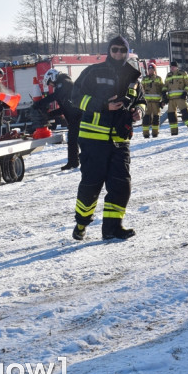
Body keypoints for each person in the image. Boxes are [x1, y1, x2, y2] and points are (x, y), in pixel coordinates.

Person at [69, 35, 143, 241]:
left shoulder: (133, 76)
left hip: (120, 139)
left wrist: (139, 111)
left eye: (122, 50)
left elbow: (141, 100)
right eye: (114, 50)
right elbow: (75, 98)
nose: (118, 53)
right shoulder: (93, 71)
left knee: (121, 185)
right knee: (91, 185)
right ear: (109, 51)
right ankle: (81, 224)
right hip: (93, 139)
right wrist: (103, 105)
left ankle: (112, 228)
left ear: (127, 52)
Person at [33, 68, 81, 169]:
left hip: (78, 117)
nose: (51, 85)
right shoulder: (60, 87)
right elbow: (63, 108)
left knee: (76, 140)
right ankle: (73, 162)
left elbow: (55, 96)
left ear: (52, 77)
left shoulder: (65, 82)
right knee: (72, 141)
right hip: (73, 118)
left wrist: (39, 103)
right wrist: (50, 114)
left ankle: (76, 162)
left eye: (50, 82)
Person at [163, 61, 188, 135]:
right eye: (171, 67)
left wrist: (185, 93)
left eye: (173, 67)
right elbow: (165, 86)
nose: (172, 68)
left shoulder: (183, 73)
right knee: (171, 115)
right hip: (171, 99)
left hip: (180, 97)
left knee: (185, 113)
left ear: (176, 67)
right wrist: (164, 94)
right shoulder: (168, 75)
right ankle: (174, 132)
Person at [140, 60, 164, 138]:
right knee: (146, 119)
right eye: (149, 69)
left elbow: (162, 89)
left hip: (156, 103)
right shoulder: (144, 79)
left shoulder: (158, 79)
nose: (150, 71)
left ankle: (155, 134)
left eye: (152, 69)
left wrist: (163, 101)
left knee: (156, 118)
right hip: (146, 103)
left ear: (154, 70)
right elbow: (141, 90)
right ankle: (146, 134)